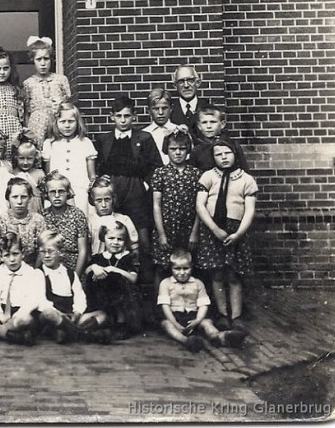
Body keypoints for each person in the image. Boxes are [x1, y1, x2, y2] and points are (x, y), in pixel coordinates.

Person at [195, 138, 258, 332]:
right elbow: (200, 205)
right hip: (213, 229)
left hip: (235, 231)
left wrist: (238, 233)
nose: (223, 157)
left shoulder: (246, 179)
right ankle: (222, 314)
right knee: (216, 273)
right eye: (218, 154)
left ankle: (236, 315)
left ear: (235, 154)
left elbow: (249, 210)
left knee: (233, 275)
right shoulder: (208, 177)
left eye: (227, 153)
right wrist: (214, 229)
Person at [93, 95, 162, 262]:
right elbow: (98, 166)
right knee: (113, 234)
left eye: (127, 116)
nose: (123, 120)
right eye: (119, 116)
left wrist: (144, 185)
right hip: (113, 191)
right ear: (112, 117)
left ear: (134, 117)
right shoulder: (104, 139)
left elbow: (156, 166)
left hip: (136, 192)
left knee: (141, 238)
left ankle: (143, 279)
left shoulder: (144, 138)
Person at [158, 248, 247, 352]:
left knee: (207, 323)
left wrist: (198, 320)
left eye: (185, 268)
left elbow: (203, 305)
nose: (182, 272)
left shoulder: (198, 283)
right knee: (167, 325)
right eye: (177, 269)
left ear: (191, 267)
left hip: (194, 316)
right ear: (171, 268)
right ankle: (187, 341)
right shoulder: (165, 283)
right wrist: (175, 323)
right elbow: (165, 306)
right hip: (174, 317)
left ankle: (220, 337)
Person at [151, 130, 202, 284]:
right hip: (167, 228)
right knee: (163, 267)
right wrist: (161, 234)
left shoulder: (196, 174)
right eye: (173, 149)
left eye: (182, 149)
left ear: (188, 150)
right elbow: (156, 205)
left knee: (190, 266)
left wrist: (194, 232)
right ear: (167, 150)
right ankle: (161, 305)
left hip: (188, 228)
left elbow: (200, 206)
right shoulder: (160, 173)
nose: (178, 153)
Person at [0, 232, 42, 345]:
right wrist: (0, 314)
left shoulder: (31, 273)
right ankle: (12, 336)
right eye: (7, 255)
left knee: (26, 320)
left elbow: (33, 300)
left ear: (22, 254)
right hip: (1, 312)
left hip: (19, 313)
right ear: (1, 256)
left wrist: (18, 314)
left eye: (15, 254)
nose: (12, 259)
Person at [81, 221, 142, 340]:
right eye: (111, 238)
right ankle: (101, 324)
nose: (115, 242)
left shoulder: (129, 257)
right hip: (102, 300)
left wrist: (114, 269)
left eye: (120, 239)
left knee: (116, 277)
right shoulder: (98, 257)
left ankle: (121, 323)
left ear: (125, 240)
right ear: (103, 238)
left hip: (124, 302)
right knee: (92, 277)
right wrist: (94, 267)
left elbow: (133, 278)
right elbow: (86, 271)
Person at [42, 102, 96, 215]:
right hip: (57, 192)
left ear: (77, 122)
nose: (67, 125)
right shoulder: (50, 144)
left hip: (80, 190)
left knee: (81, 218)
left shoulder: (85, 142)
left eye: (71, 121)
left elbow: (92, 175)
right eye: (62, 122)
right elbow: (48, 174)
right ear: (56, 123)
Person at [36, 230, 87, 344]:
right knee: (48, 313)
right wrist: (61, 315)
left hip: (69, 315)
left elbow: (80, 297)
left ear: (61, 252)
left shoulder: (70, 274)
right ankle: (84, 335)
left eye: (51, 251)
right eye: (42, 252)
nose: (47, 255)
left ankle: (63, 330)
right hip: (51, 316)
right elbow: (41, 302)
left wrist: (77, 313)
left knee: (102, 315)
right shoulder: (38, 273)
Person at [22, 36, 71, 148]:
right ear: (32, 60)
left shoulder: (61, 80)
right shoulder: (28, 83)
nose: (43, 63)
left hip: (57, 125)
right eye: (39, 59)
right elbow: (26, 112)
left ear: (51, 59)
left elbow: (68, 106)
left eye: (46, 59)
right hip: (36, 126)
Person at [41, 171, 89, 275]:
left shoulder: (78, 215)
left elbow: (83, 251)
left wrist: (75, 277)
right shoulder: (43, 216)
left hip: (73, 266)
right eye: (53, 192)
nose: (57, 195)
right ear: (47, 194)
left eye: (61, 191)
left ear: (68, 193)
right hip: (50, 266)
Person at [0, 178, 47, 267]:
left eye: (24, 197)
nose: (19, 202)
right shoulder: (1, 219)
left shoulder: (38, 220)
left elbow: (41, 250)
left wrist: (35, 271)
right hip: (7, 268)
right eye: (15, 197)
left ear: (29, 198)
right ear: (8, 199)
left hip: (31, 268)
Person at [87, 176, 140, 256]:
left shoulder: (124, 219)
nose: (103, 205)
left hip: (119, 263)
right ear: (93, 201)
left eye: (107, 200)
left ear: (113, 199)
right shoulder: (89, 222)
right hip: (96, 263)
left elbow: (134, 246)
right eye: (99, 200)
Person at [189, 105, 249, 173]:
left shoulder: (232, 145)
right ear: (199, 126)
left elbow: (244, 171)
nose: (208, 126)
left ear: (222, 124)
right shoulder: (197, 150)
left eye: (213, 122)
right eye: (204, 122)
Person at [142, 88, 180, 165]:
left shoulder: (178, 130)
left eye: (164, 108)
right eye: (156, 109)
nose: (160, 112)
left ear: (171, 108)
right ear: (149, 110)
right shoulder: (144, 134)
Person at [169, 64, 208, 137]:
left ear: (197, 83)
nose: (186, 85)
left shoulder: (207, 107)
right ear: (175, 85)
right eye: (181, 82)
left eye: (190, 80)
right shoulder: (169, 110)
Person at [10, 132, 45, 214]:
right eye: (21, 158)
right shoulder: (13, 173)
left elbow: (44, 195)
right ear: (16, 157)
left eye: (29, 158)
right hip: (18, 207)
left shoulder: (39, 173)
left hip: (35, 208)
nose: (25, 162)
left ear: (35, 157)